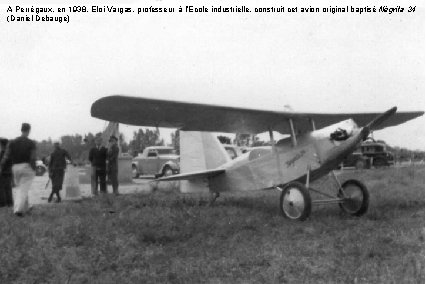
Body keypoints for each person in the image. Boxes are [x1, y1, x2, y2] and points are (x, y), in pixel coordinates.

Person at [0, 123, 36, 217]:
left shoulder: (12, 142)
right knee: (23, 189)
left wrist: (1, 165)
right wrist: (34, 169)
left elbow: (6, 156)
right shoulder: (31, 143)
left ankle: (26, 208)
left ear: (21, 130)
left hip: (15, 167)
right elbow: (32, 158)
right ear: (29, 130)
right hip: (26, 166)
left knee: (22, 188)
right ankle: (18, 210)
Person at [0, 138, 13, 207]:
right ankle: (10, 203)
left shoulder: (2, 154)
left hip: (2, 173)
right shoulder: (9, 154)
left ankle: (2, 203)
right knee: (8, 189)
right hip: (9, 173)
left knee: (2, 189)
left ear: (1, 145)